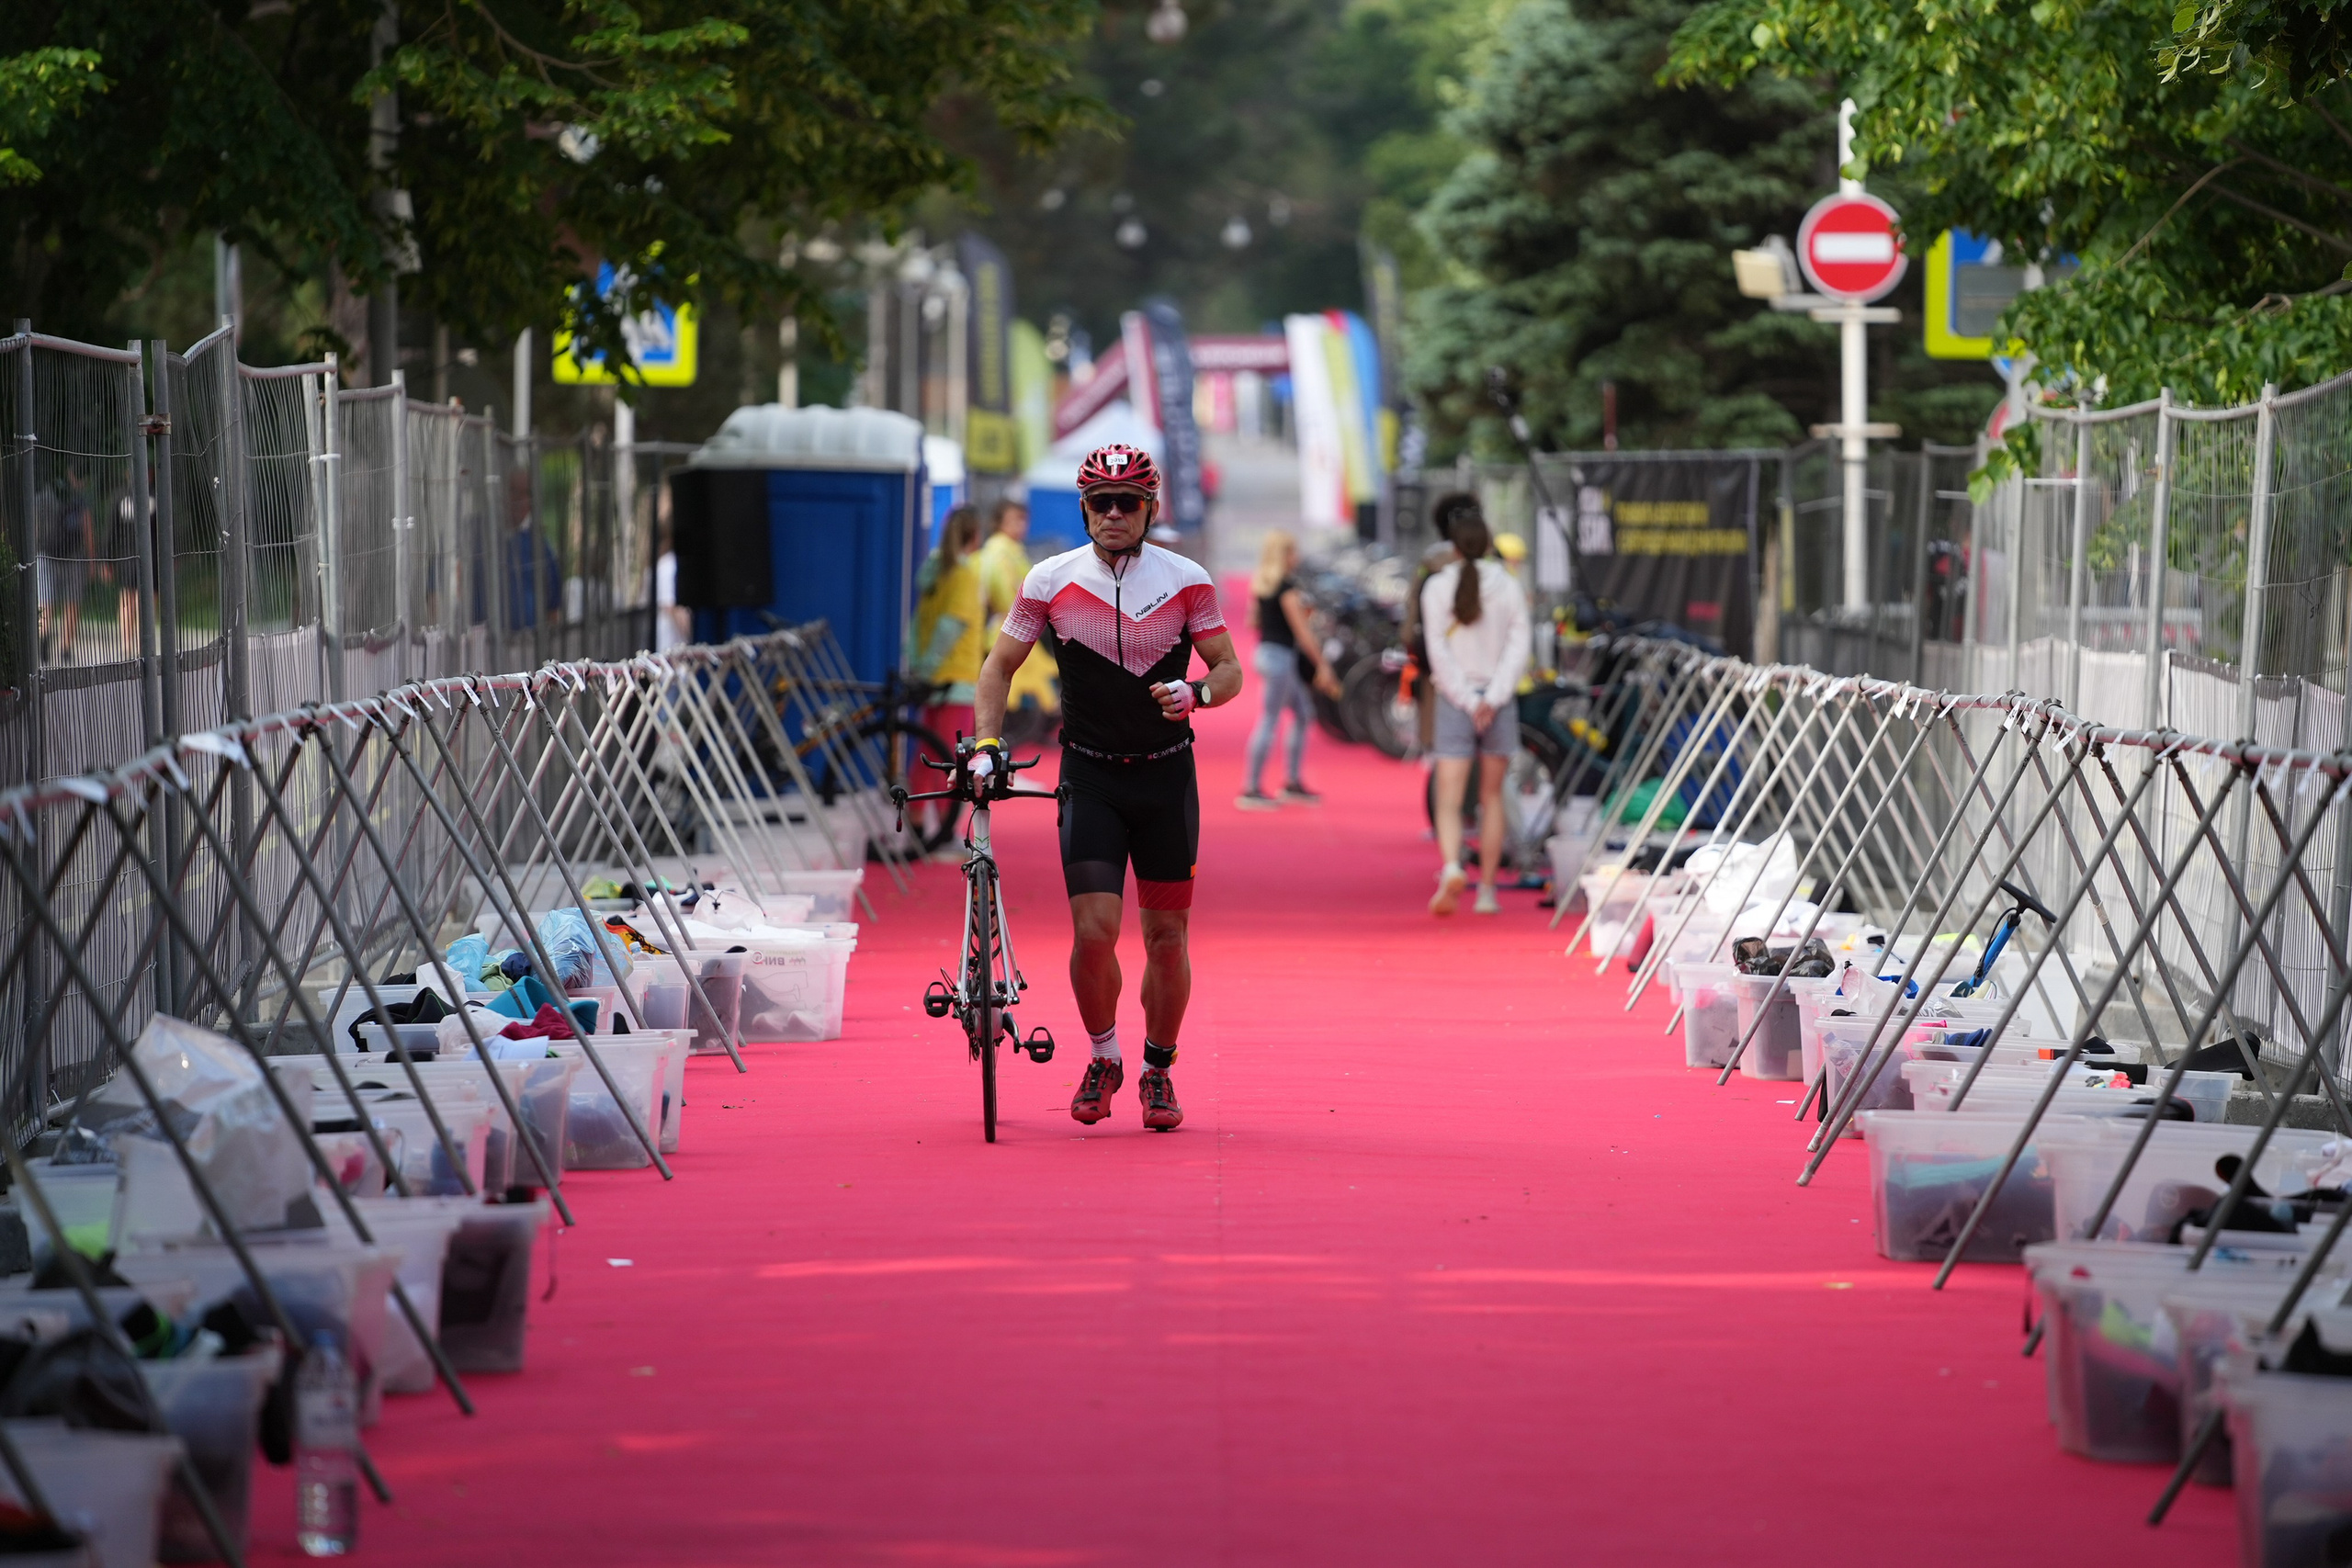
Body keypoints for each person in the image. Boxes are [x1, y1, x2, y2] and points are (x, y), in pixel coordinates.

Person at [974, 445, 1243, 1133]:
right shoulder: (1050, 579)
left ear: (1150, 509)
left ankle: (1158, 1069)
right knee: (1094, 934)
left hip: (1164, 775)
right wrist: (985, 745)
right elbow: (999, 665)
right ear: (1085, 508)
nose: (1115, 513)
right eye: (1102, 502)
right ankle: (1104, 1056)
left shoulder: (1186, 580)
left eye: (1129, 501)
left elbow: (1230, 668)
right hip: (1089, 775)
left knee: (1165, 939)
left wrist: (1199, 691)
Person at [1420, 512, 1530, 916]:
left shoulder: (1436, 586)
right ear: (1488, 544)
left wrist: (1467, 699)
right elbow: (1519, 645)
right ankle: (1487, 891)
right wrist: (1493, 696)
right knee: (1492, 798)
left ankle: (1452, 866)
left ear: (1452, 545)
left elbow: (1437, 649)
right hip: (1498, 702)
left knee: (1449, 799)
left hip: (1454, 699)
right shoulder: (1508, 585)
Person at [1238, 530, 1340, 808]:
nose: (1298, 557)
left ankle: (1292, 782)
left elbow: (1252, 622)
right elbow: (1303, 633)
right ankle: (1251, 787)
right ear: (1284, 555)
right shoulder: (1288, 589)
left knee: (1303, 713)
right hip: (1280, 657)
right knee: (1270, 719)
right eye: (1293, 552)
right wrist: (1323, 665)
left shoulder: (1262, 585)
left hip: (1268, 653)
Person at [910, 504, 988, 749]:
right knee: (950, 763)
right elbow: (949, 628)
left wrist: (920, 668)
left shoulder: (937, 573)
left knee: (929, 759)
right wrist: (929, 668)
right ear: (975, 535)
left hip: (933, 681)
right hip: (957, 681)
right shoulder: (964, 576)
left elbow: (916, 626)